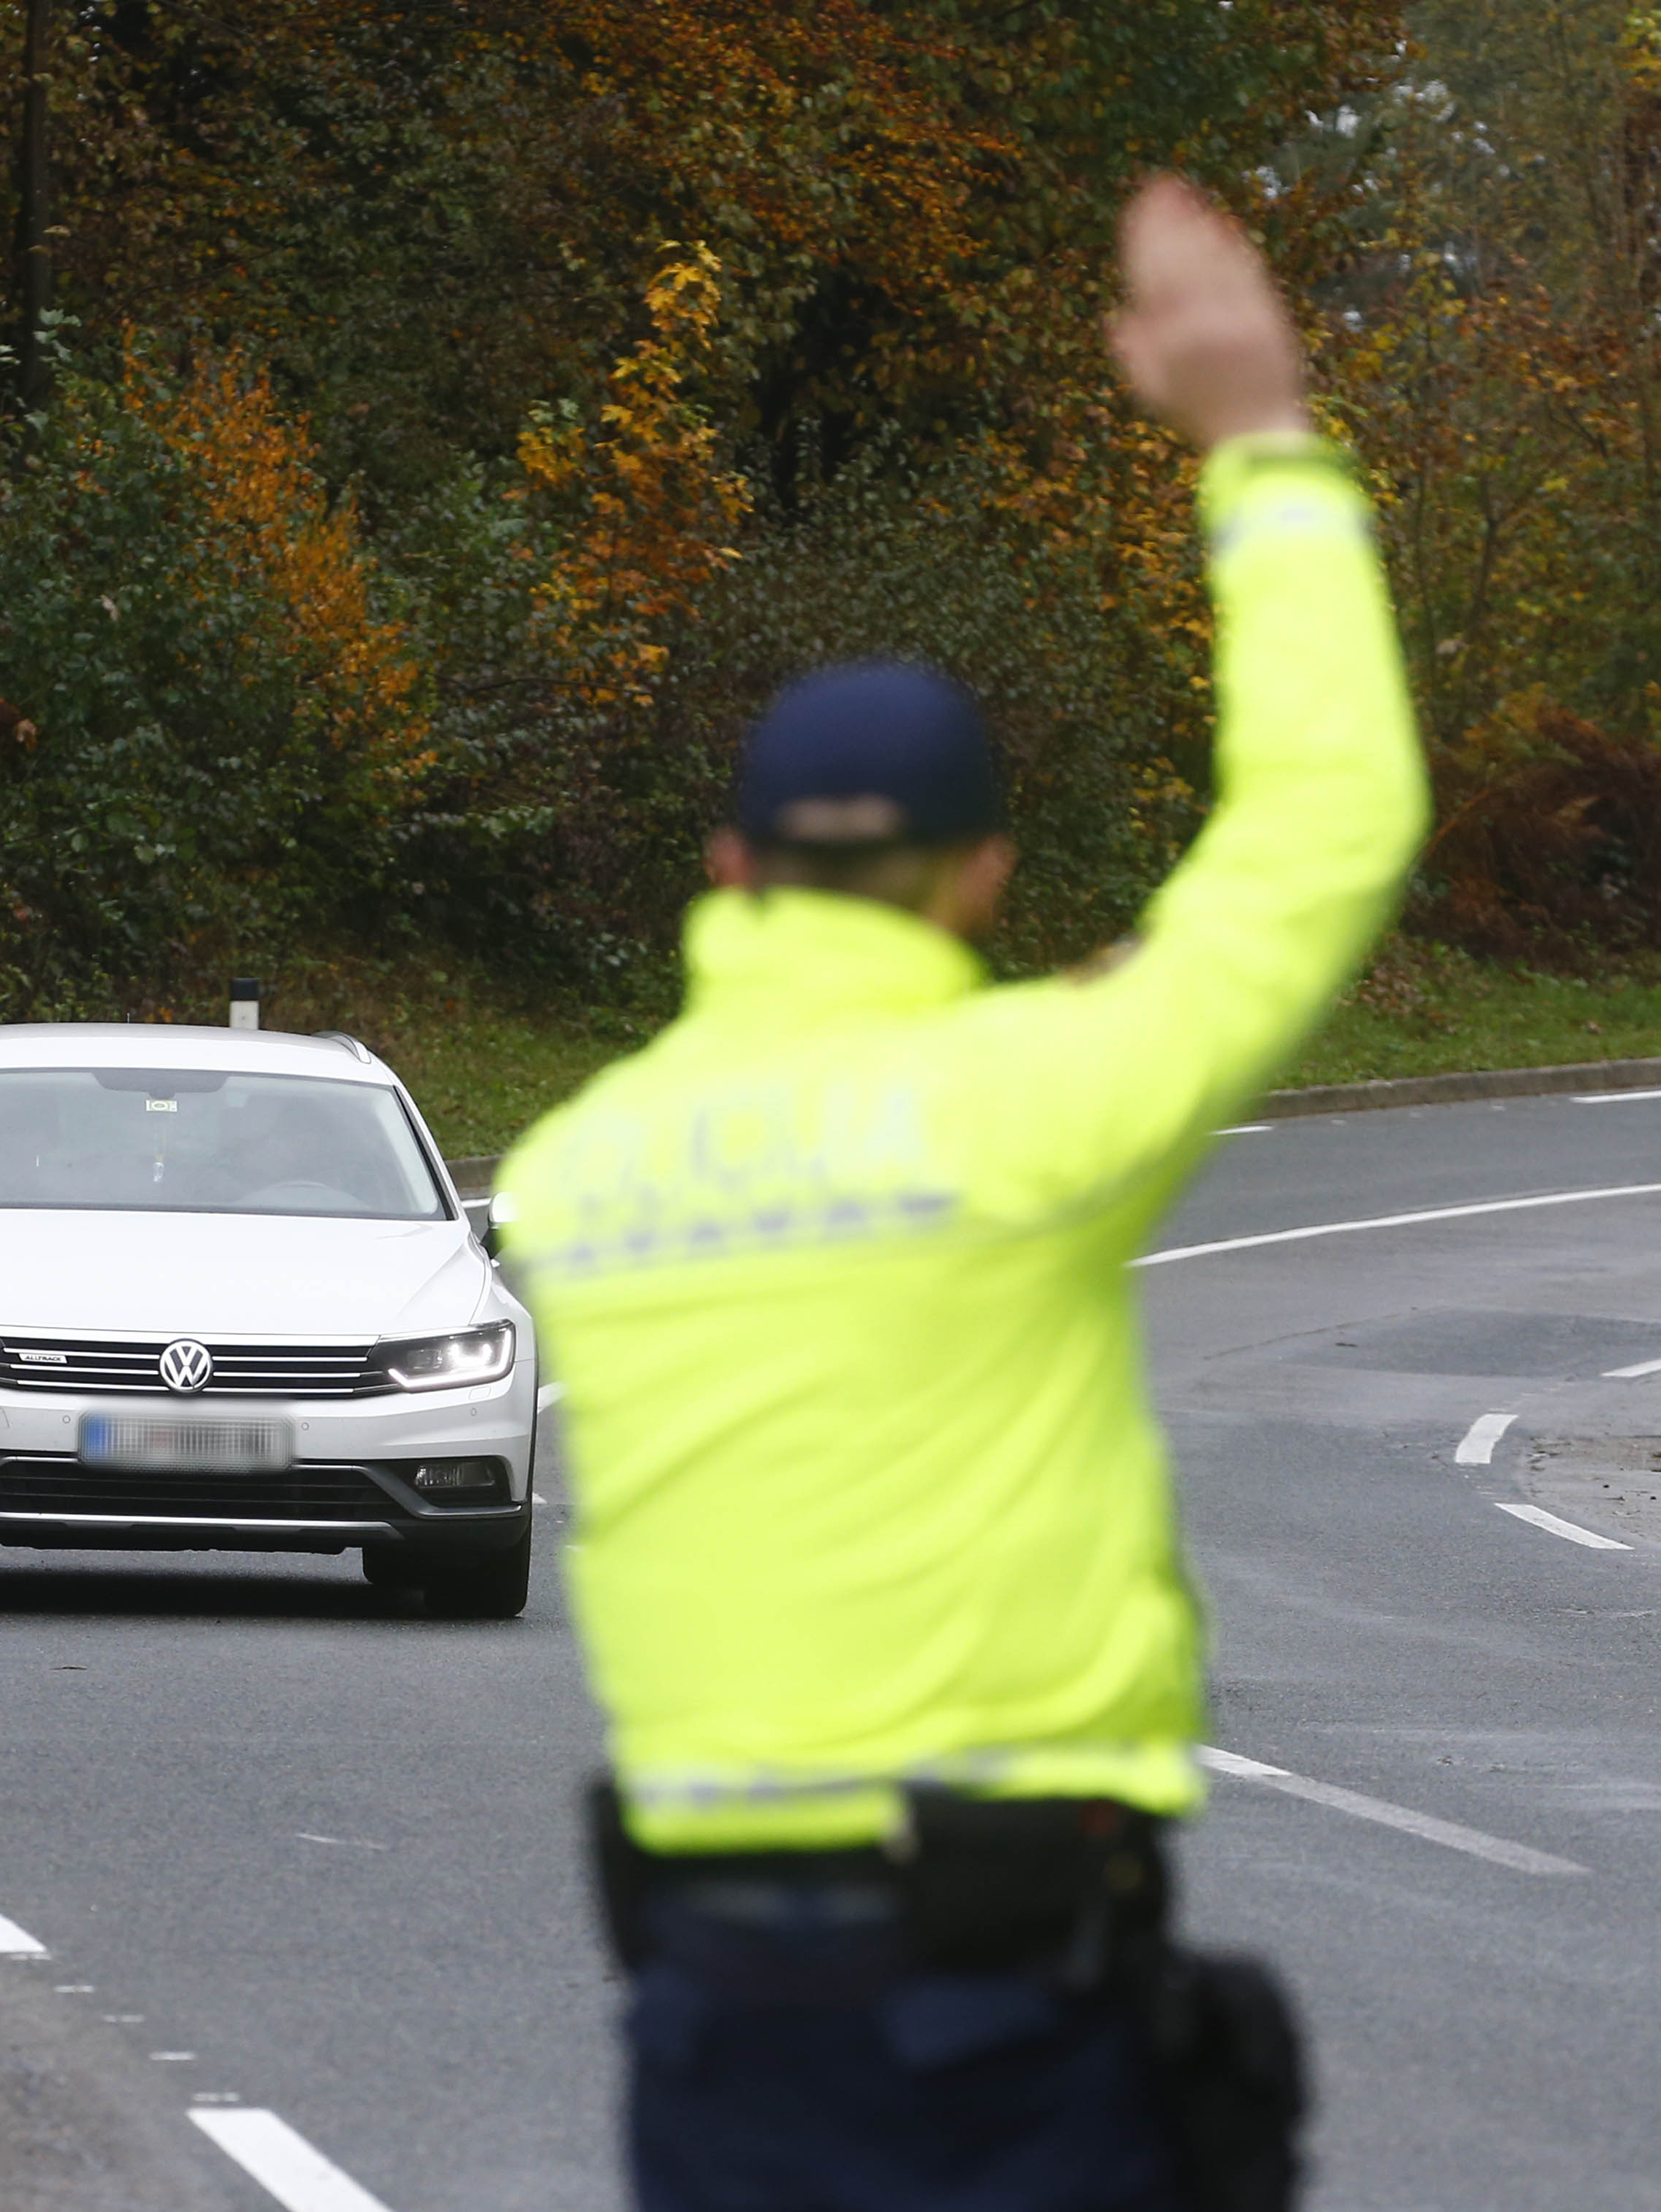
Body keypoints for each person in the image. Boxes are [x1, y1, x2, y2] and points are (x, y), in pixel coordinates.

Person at [490, 176, 1428, 2212]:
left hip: (715, 2003)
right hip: (1006, 1991)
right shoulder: (1034, 1109)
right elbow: (1325, 827)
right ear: (987, 872)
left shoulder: (575, 1179)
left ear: (726, 869)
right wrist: (1256, 441)